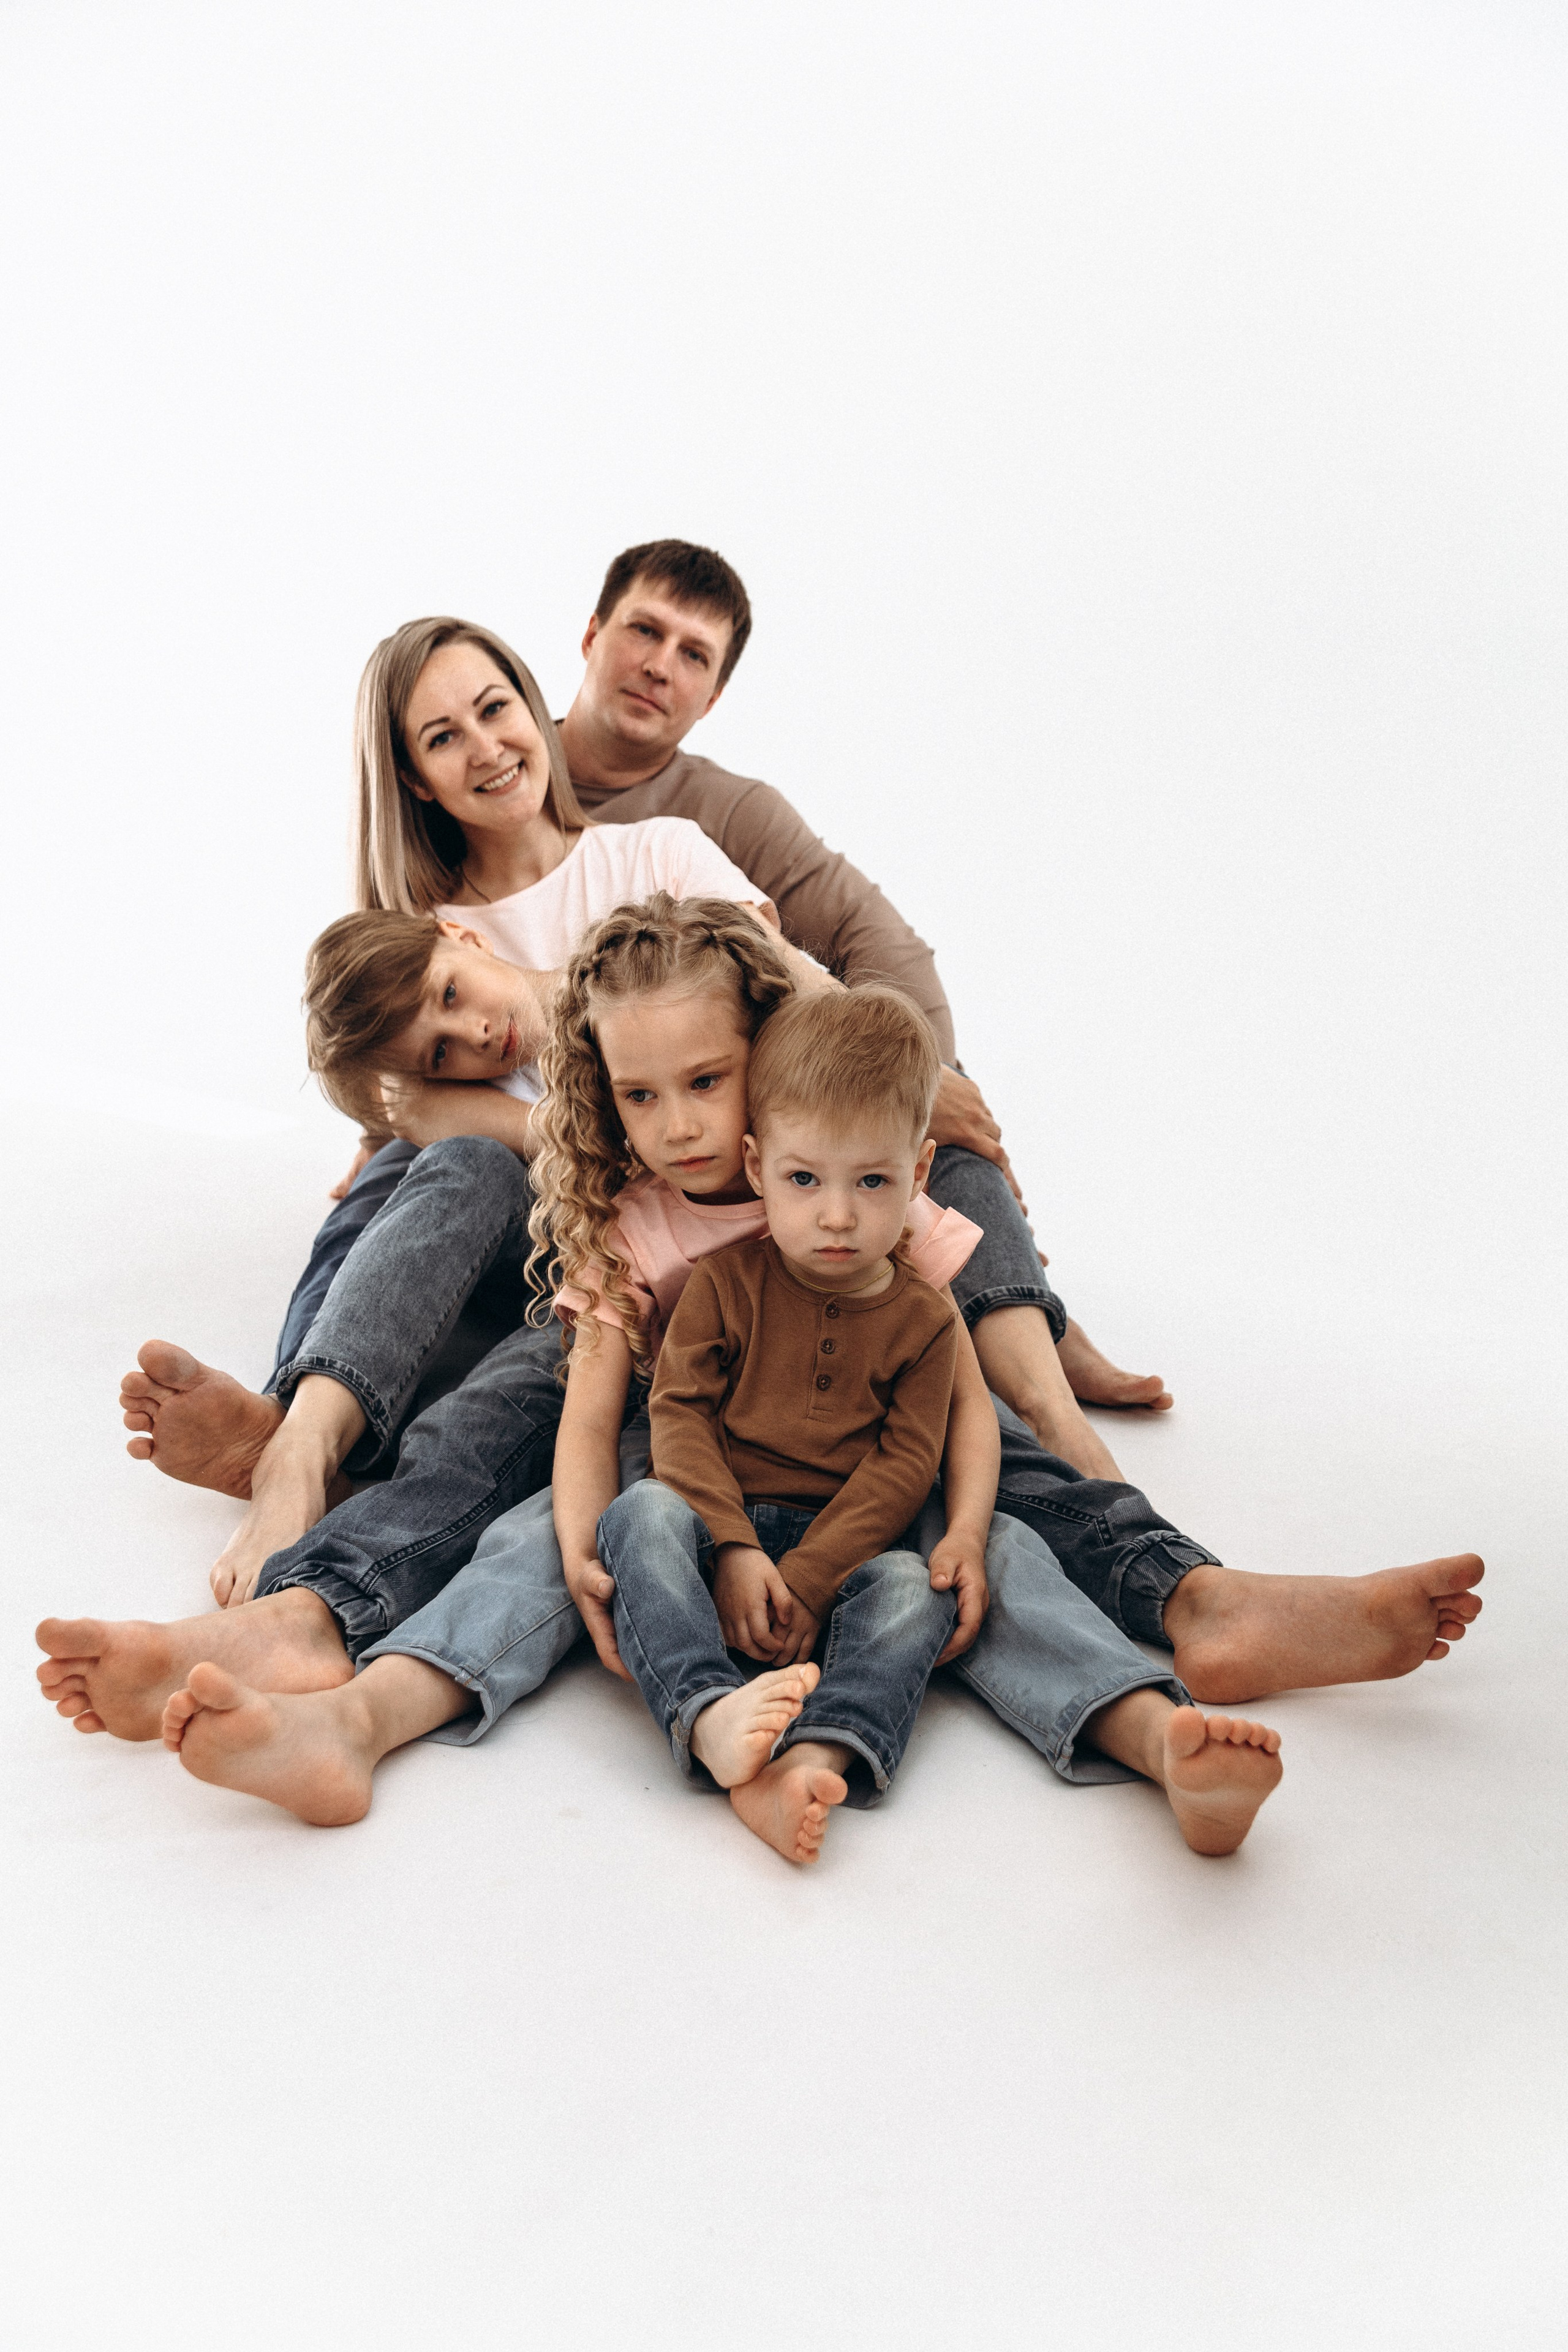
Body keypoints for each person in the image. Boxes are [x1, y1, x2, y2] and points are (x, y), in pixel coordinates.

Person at [39, 900, 1473, 1836]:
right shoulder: (626, 1214)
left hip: (862, 1459)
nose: (674, 1125)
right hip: (685, 1460)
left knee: (999, 1531)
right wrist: (597, 1533)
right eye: (642, 1096)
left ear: (763, 1058)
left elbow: (957, 1390)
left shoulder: (833, 1175)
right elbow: (590, 1410)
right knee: (526, 1491)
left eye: (704, 1086)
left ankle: (1183, 1629)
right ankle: (326, 1673)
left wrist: (990, 1478)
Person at [116, 543, 1160, 1591]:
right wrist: (413, 1108)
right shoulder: (424, 941)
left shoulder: (662, 847)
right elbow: (408, 1108)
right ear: (413, 774)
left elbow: (794, 982)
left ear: (530, 702)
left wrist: (907, 1071)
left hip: (706, 1234)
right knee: (431, 1174)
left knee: (912, 1140)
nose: (483, 748)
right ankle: (297, 1439)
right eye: (443, 736)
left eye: (493, 710)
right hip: (561, 1253)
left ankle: (1058, 1420)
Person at [598, 980, 1283, 1866]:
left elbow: (904, 1462)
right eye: (804, 1180)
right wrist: (731, 1550)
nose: (837, 1216)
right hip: (717, 1535)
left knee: (919, 1590)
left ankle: (814, 1756)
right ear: (759, 1164)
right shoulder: (726, 1285)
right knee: (638, 1517)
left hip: (844, 1553)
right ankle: (706, 1717)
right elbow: (678, 1420)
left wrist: (809, 1578)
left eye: (872, 1182)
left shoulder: (925, 1318)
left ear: (918, 1175)